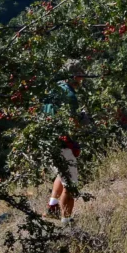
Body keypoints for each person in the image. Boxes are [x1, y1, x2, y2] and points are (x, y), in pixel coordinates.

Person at [44, 62, 88, 226]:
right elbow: (72, 123)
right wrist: (83, 119)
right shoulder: (69, 96)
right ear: (75, 76)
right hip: (63, 144)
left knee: (62, 174)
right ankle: (66, 223)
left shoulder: (53, 90)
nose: (82, 79)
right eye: (81, 75)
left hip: (48, 142)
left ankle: (52, 207)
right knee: (71, 184)